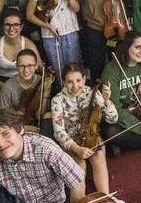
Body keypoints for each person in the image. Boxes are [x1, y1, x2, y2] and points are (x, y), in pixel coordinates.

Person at [50, 64, 117, 194]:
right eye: (69, 82)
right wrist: (76, 148)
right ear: (63, 82)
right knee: (80, 164)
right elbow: (58, 131)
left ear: (84, 79)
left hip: (91, 137)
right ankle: (79, 202)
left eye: (78, 80)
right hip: (70, 140)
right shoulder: (57, 100)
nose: (75, 86)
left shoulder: (93, 93)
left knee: (99, 154)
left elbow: (112, 119)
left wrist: (106, 101)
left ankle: (105, 197)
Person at [27, 0, 83, 86]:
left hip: (70, 31)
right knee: (59, 72)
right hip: (50, 35)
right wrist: (47, 26)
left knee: (74, 69)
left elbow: (77, 9)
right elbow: (29, 15)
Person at [0, 49, 55, 137]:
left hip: (40, 126)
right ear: (17, 66)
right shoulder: (8, 87)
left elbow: (42, 114)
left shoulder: (43, 81)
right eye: (22, 66)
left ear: (36, 66)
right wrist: (22, 128)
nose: (26, 70)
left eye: (30, 65)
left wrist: (46, 90)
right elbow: (2, 118)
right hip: (16, 128)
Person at [0, 8, 40, 89]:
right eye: (7, 24)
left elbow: (39, 67)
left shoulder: (29, 44)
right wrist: (5, 87)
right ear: (3, 26)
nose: (11, 28)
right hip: (1, 82)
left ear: (21, 27)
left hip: (24, 79)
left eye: (16, 25)